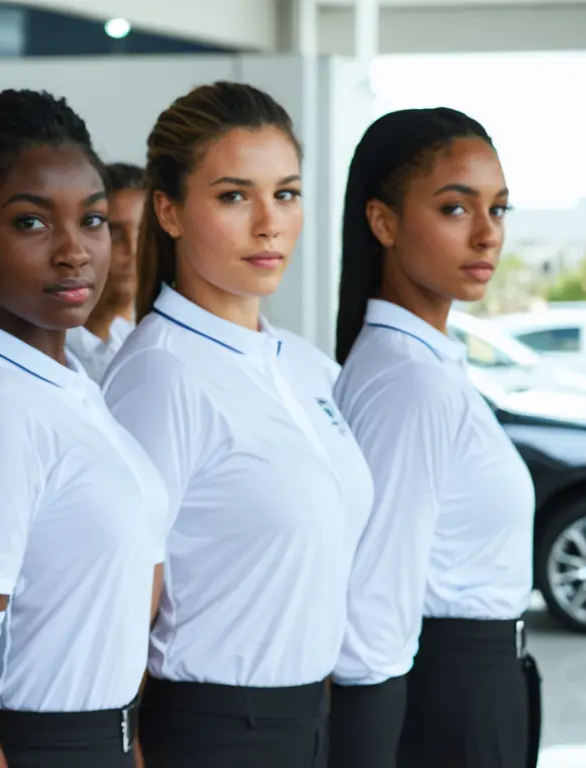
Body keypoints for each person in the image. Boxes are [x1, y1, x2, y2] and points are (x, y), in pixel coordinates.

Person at [103, 81, 374, 768]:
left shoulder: (304, 366)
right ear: (168, 210)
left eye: (285, 194)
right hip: (214, 733)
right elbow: (121, 599)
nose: (268, 222)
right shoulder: (160, 374)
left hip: (311, 722)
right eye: (234, 196)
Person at [0, 88, 168, 768]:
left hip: (109, 735)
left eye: (92, 221)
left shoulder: (68, 386)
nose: (75, 253)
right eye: (32, 224)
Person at [331, 107, 540, 768]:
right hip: (447, 702)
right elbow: (372, 611)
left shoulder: (426, 365)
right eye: (456, 209)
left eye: (499, 210)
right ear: (383, 220)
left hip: (474, 691)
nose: (486, 235)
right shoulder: (410, 384)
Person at [65, 162, 145, 380]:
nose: (133, 248)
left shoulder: (168, 345)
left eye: (145, 233)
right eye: (115, 234)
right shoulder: (54, 351)